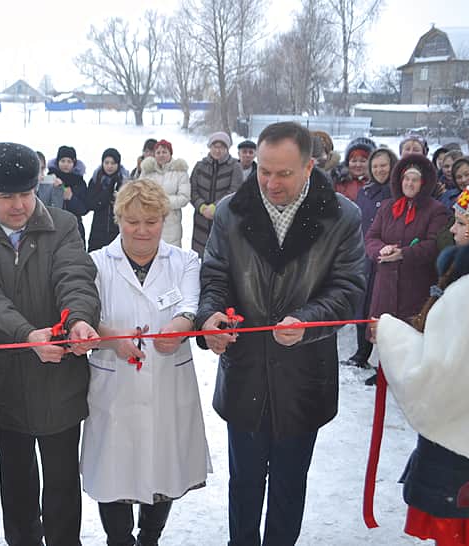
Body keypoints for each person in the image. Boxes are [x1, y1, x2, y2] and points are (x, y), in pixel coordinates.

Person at [196, 122, 366, 546]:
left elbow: (348, 288)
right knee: (245, 483)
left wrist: (309, 320)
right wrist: (211, 316)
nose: (270, 183)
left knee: (290, 486)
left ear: (309, 166)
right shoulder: (232, 211)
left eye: (284, 173)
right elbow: (215, 274)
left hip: (303, 374)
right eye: (263, 171)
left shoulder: (342, 217)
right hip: (246, 369)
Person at [0, 142, 101, 546]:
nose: (20, 205)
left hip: (61, 379)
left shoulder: (64, 224)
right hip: (8, 383)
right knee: (17, 486)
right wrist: (25, 335)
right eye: (7, 196)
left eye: (27, 193)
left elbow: (74, 276)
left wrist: (79, 319)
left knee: (61, 485)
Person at [83, 179, 211, 546]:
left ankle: (150, 538)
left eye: (151, 221)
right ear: (118, 218)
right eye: (133, 221)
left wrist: (182, 325)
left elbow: (190, 305)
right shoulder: (96, 264)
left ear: (164, 219)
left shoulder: (185, 261)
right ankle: (118, 540)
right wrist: (111, 337)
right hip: (114, 382)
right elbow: (87, 313)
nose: (142, 231)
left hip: (167, 381)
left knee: (163, 463)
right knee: (113, 468)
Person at [374, 179, 469, 546]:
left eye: (461, 223)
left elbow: (440, 372)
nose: (453, 229)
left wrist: (390, 334)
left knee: (462, 535)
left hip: (461, 444)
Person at [364, 154, 450, 385]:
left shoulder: (436, 210)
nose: (409, 184)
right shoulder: (388, 207)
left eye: (415, 180)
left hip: (415, 282)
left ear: (424, 183)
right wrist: (381, 250)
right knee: (384, 328)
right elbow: (371, 237)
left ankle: (407, 378)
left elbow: (434, 245)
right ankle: (383, 372)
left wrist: (404, 253)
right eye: (406, 179)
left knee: (409, 331)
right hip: (386, 281)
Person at [344, 147, 398, 368]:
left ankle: (384, 362)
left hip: (387, 256)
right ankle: (361, 353)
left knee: (383, 308)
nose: (379, 169)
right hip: (364, 255)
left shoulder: (397, 192)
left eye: (383, 165)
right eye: (375, 166)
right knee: (362, 304)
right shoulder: (365, 192)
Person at [190, 132, 244, 257]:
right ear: (210, 147)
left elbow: (235, 191)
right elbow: (192, 190)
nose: (218, 150)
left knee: (221, 255)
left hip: (224, 217)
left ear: (227, 148)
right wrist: (202, 207)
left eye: (222, 147)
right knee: (201, 255)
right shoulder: (200, 166)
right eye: (215, 146)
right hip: (201, 220)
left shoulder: (235, 166)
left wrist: (216, 207)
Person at [139, 140, 190, 248]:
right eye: (158, 152)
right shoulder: (148, 171)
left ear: (170, 153)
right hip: (149, 219)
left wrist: (162, 201)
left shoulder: (180, 171)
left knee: (170, 255)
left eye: (164, 152)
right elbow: (140, 192)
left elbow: (184, 197)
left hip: (171, 222)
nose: (161, 155)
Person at [86, 147, 128, 252]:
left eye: (113, 163)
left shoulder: (125, 181)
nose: (109, 166)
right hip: (98, 230)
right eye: (107, 162)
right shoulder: (96, 179)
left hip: (118, 230)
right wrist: (107, 192)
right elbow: (91, 204)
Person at [48, 145, 90, 245]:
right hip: (53, 229)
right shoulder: (50, 179)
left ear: (74, 163)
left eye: (69, 161)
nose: (66, 164)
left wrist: (71, 198)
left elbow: (84, 209)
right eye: (63, 161)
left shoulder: (79, 182)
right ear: (58, 162)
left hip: (74, 229)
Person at [336, 137, 375, 202]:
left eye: (363, 161)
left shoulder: (376, 183)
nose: (358, 165)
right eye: (354, 161)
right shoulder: (338, 181)